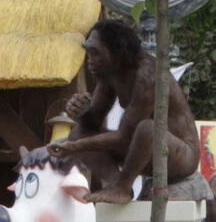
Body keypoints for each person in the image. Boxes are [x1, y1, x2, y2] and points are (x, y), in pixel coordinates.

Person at [50, 18, 202, 202]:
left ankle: (123, 186)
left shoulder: (147, 76)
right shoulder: (110, 72)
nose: (90, 61)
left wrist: (74, 147)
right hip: (143, 150)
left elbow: (125, 136)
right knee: (78, 133)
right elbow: (92, 123)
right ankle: (116, 184)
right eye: (89, 52)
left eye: (95, 53)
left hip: (180, 156)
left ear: (118, 52)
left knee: (147, 128)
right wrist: (81, 112)